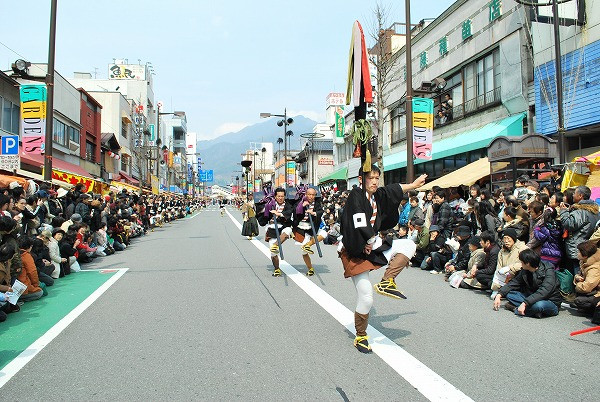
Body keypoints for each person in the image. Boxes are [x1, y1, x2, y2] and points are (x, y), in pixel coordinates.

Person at [339, 165, 426, 353]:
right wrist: (370, 239)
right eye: (370, 178)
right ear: (361, 179)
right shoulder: (356, 195)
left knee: (408, 245)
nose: (375, 181)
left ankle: (387, 281)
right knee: (366, 297)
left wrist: (413, 185)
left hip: (372, 245)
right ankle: (361, 336)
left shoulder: (377, 195)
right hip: (355, 250)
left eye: (377, 178)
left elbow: (394, 189)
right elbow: (359, 220)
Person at [493, 249, 561, 318]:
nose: (521, 264)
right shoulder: (525, 270)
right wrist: (499, 294)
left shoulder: (548, 271)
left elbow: (544, 291)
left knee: (539, 305)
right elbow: (514, 283)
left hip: (549, 301)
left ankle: (516, 309)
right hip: (532, 297)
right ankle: (533, 311)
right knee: (509, 294)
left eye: (522, 262)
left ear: (527, 263)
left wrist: (525, 303)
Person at [559, 185, 600, 275]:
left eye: (574, 193)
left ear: (580, 196)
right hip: (587, 245)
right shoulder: (594, 209)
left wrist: (563, 211)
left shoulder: (580, 211)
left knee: (576, 273)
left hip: (577, 247)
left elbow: (569, 224)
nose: (573, 195)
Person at [292, 187, 327, 277]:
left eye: (313, 195)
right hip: (301, 227)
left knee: (324, 234)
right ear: (306, 194)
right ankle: (310, 268)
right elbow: (295, 214)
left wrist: (313, 213)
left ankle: (308, 245)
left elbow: (320, 211)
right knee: (304, 252)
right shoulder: (299, 202)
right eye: (309, 194)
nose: (311, 196)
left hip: (312, 227)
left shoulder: (317, 203)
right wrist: (302, 206)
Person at [262, 188, 293, 277]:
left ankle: (275, 245)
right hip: (272, 228)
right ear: (275, 196)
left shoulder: (288, 205)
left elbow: (289, 213)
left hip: (283, 226)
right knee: (273, 253)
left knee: (288, 230)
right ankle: (277, 269)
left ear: (284, 196)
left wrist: (279, 214)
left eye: (282, 196)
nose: (280, 198)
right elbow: (263, 216)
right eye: (278, 196)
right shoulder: (270, 204)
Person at [491, 228, 529, 298]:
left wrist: (509, 268)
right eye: (504, 238)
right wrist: (496, 285)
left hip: (516, 275)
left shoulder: (523, 248)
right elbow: (499, 267)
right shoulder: (502, 251)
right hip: (504, 276)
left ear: (513, 238)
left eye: (508, 238)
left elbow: (524, 264)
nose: (506, 241)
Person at [572, 240, 600, 315]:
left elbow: (586, 287)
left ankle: (593, 310)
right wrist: (577, 277)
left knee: (579, 301)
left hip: (598, 293)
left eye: (578, 252)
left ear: (585, 255)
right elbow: (581, 275)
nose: (577, 253)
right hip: (593, 289)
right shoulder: (585, 262)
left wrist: (578, 283)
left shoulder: (594, 268)